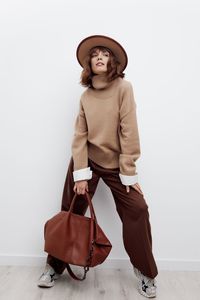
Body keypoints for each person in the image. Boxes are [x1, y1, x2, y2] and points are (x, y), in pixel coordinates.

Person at [37, 34, 158, 298]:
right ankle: (54, 267)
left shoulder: (124, 88)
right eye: (94, 55)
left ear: (112, 61)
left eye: (104, 54)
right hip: (87, 162)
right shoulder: (86, 96)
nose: (99, 57)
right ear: (89, 64)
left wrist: (128, 171)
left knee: (138, 209)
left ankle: (146, 272)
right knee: (70, 211)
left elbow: (129, 131)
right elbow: (79, 136)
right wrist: (80, 173)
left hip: (116, 164)